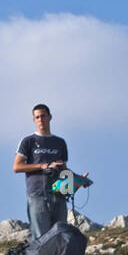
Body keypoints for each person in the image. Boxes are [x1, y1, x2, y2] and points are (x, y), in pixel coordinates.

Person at [13, 103, 79, 240]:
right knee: (41, 237)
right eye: (37, 117)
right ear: (34, 120)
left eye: (43, 116)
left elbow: (63, 169)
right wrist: (43, 166)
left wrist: (77, 180)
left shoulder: (60, 142)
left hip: (59, 193)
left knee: (60, 236)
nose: (40, 119)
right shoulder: (28, 141)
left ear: (50, 117)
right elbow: (17, 167)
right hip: (37, 194)